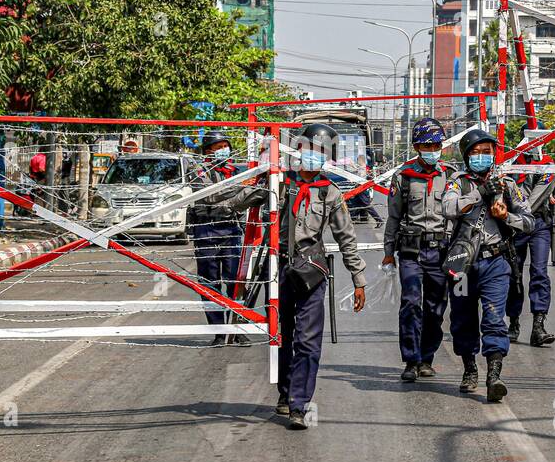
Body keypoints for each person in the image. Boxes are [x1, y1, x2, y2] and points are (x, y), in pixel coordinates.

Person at [224, 123, 366, 429]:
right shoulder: (279, 183)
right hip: (278, 269)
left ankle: (300, 404)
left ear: (327, 157)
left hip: (311, 271)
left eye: (319, 152)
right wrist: (219, 202)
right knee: (281, 335)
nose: (311, 156)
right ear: (296, 150)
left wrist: (358, 279)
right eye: (307, 150)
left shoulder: (330, 193)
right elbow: (241, 199)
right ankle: (286, 393)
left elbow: (346, 238)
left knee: (308, 340)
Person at [443, 130, 532, 400]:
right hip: (462, 266)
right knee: (462, 319)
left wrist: (507, 218)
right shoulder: (457, 183)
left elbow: (529, 222)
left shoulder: (507, 185)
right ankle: (470, 368)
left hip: (495, 262)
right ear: (467, 155)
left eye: (487, 152)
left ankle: (494, 376)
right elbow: (447, 208)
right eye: (476, 152)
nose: (482, 157)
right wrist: (480, 195)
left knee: (495, 319)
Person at [382, 118, 452, 382]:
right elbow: (394, 217)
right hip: (411, 251)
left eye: (436, 145)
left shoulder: (449, 176)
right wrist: (389, 251)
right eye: (426, 145)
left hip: (441, 251)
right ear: (416, 146)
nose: (432, 149)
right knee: (411, 302)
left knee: (435, 307)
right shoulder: (403, 177)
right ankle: (411, 360)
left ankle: (426, 358)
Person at [187, 131, 250, 347]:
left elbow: (242, 201)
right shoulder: (197, 170)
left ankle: (237, 328)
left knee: (237, 281)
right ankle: (219, 331)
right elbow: (208, 196)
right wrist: (238, 187)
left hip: (231, 229)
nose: (224, 150)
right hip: (206, 230)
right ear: (208, 151)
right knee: (210, 282)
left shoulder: (233, 171)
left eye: (226, 146)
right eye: (219, 146)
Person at [505, 151, 555, 347]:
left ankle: (538, 325)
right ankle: (513, 321)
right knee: (513, 274)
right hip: (514, 227)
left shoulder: (547, 165)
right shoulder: (509, 162)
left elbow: (535, 198)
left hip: (537, 224)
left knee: (540, 272)